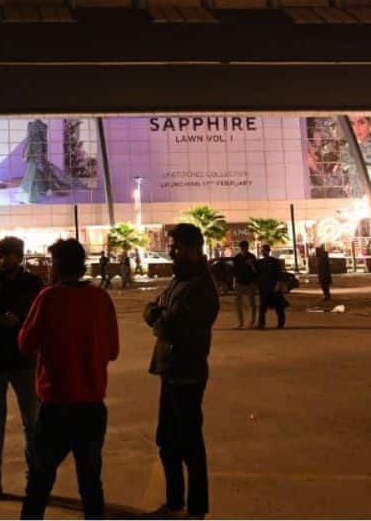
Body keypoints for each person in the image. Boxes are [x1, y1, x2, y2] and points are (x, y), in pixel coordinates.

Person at [19, 238, 119, 519]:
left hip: (57, 406)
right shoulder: (101, 298)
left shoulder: (49, 298)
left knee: (39, 482)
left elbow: (25, 342)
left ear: (57, 267)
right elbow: (113, 351)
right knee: (90, 484)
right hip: (92, 405)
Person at [143, 223, 219, 520]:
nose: (170, 250)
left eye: (175, 246)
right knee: (167, 441)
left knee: (190, 445)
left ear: (192, 248)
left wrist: (153, 314)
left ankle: (196, 510)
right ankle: (175, 505)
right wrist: (157, 312)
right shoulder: (181, 280)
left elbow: (171, 326)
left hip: (187, 372)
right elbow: (161, 312)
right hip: (170, 370)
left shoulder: (200, 286)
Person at [0, 236, 43, 503]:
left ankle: (35, 478)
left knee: (32, 421)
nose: (6, 260)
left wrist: (19, 321)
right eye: (2, 256)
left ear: (20, 255)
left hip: (24, 360)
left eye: (11, 255)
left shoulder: (32, 283)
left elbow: (40, 318)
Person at [255, 244, 287, 330]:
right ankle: (261, 324)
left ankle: (281, 323)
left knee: (278, 306)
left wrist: (278, 284)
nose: (262, 252)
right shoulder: (260, 262)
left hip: (273, 286)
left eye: (263, 250)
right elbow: (256, 273)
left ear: (268, 251)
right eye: (261, 250)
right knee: (263, 307)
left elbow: (279, 274)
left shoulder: (274, 262)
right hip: (264, 287)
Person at [231, 241, 258, 329]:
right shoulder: (237, 258)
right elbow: (235, 271)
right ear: (241, 248)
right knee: (238, 303)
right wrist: (234, 282)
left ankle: (252, 322)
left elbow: (256, 271)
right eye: (243, 247)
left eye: (245, 247)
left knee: (252, 302)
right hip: (240, 282)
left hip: (250, 282)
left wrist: (251, 265)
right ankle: (240, 322)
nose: (244, 248)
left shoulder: (252, 257)